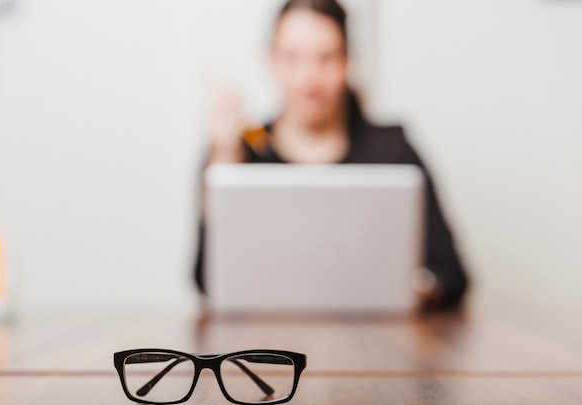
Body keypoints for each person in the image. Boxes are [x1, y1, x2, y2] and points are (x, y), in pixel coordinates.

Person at [194, 0, 469, 309]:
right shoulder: (239, 153)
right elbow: (208, 281)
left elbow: (452, 274)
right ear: (271, 59)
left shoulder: (393, 150)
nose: (309, 75)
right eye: (292, 57)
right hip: (268, 342)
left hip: (377, 342)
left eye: (325, 58)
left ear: (347, 60)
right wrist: (224, 161)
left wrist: (407, 290)